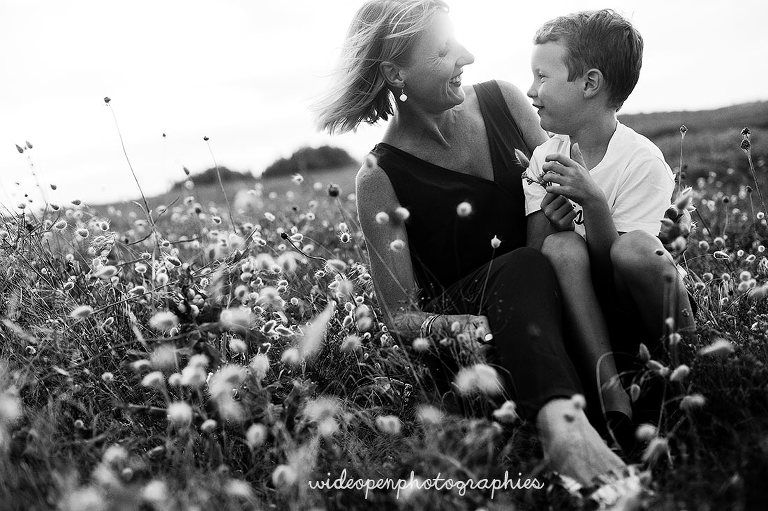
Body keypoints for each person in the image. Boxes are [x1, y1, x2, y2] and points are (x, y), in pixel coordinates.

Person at [313, 0, 639, 496]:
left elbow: (572, 183)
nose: (467, 55)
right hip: (482, 344)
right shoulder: (379, 178)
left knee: (547, 262)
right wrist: (455, 327)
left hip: (561, 303)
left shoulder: (505, 102)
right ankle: (564, 429)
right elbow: (400, 315)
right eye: (444, 51)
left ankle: (607, 412)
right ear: (394, 72)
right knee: (522, 266)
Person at [522, 10, 695, 427]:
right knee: (559, 245)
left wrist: (595, 204)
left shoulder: (642, 161)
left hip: (638, 311)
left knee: (635, 246)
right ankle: (610, 391)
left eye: (542, 77)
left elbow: (622, 265)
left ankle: (685, 369)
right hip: (579, 316)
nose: (530, 91)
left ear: (589, 83)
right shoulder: (545, 157)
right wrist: (552, 221)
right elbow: (531, 258)